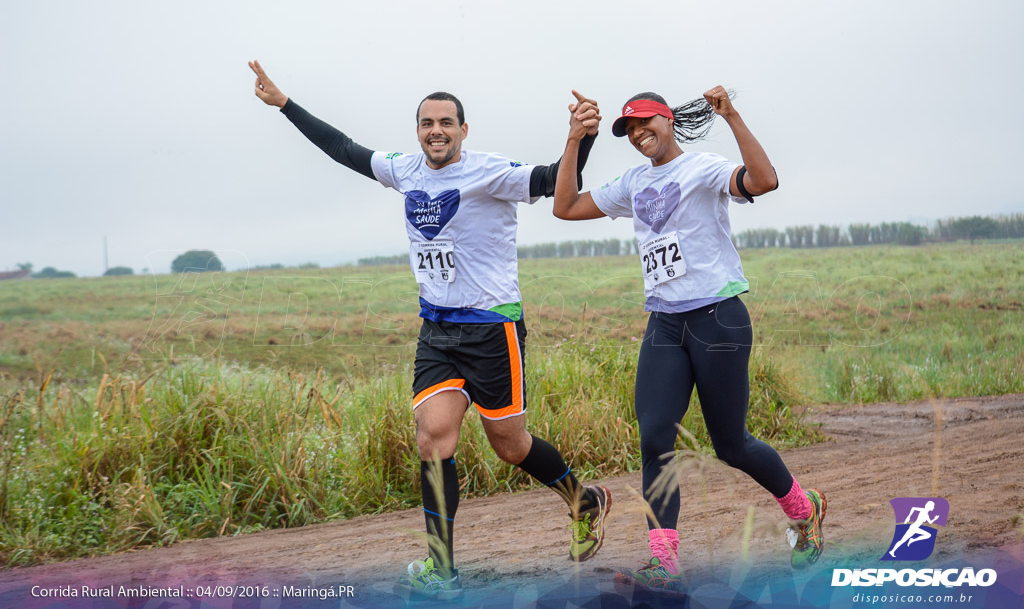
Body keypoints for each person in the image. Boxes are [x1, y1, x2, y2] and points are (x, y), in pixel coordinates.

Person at [248, 61, 612, 600]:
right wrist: (285, 105)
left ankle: (584, 500)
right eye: (426, 123)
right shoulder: (404, 169)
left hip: (493, 330)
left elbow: (556, 179)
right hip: (437, 330)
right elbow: (343, 148)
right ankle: (442, 568)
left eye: (446, 122)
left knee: (510, 448)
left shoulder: (491, 172)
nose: (436, 131)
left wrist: (582, 139)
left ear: (464, 129)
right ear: (417, 131)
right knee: (432, 439)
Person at [552, 87, 826, 591]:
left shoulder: (703, 168)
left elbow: (764, 180)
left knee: (731, 445)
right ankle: (664, 560)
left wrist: (734, 116)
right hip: (665, 324)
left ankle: (804, 511)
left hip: (718, 319)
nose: (638, 134)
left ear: (668, 120)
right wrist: (574, 141)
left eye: (644, 122)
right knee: (656, 438)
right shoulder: (633, 183)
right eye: (629, 129)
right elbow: (565, 207)